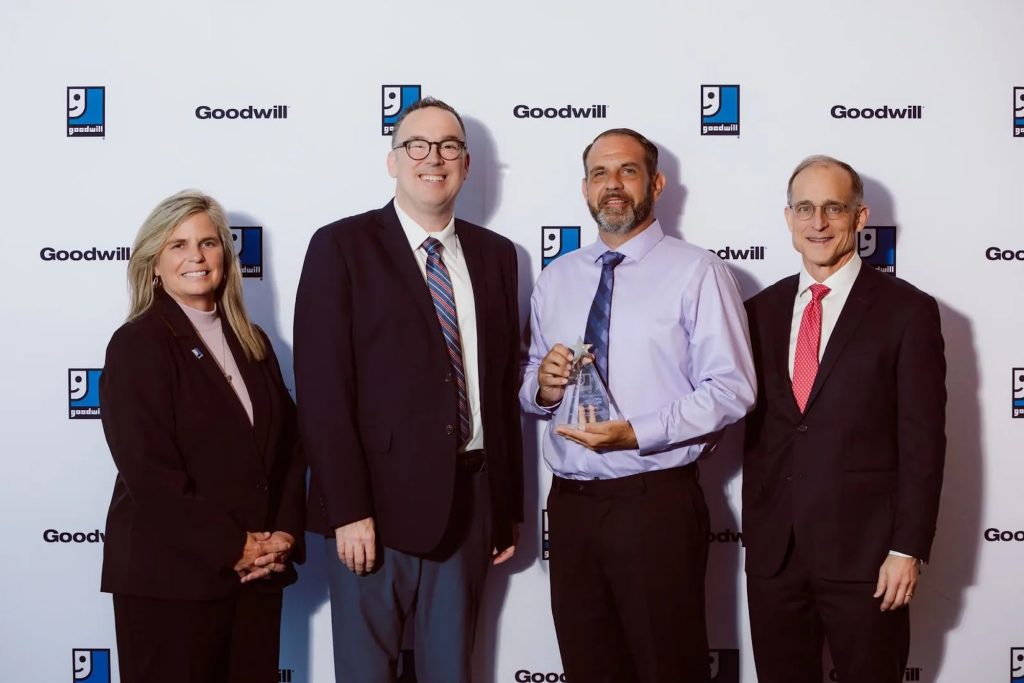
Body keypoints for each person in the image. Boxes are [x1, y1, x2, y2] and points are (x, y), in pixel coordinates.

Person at [294, 97, 523, 683]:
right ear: (393, 161)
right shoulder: (341, 247)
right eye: (416, 145)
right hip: (374, 511)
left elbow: (499, 389)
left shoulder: (497, 256)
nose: (433, 158)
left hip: (470, 504)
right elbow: (322, 392)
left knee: (451, 672)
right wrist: (348, 509)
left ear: (466, 164)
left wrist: (505, 509)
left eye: (448, 146)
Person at [520, 128, 756, 683]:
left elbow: (732, 388)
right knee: (588, 668)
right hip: (571, 507)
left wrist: (637, 432)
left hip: (655, 504)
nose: (613, 185)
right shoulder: (557, 278)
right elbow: (531, 380)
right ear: (585, 188)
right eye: (599, 173)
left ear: (656, 183)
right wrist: (544, 388)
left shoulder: (698, 272)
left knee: (667, 668)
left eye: (627, 171)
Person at [742, 155, 946, 683]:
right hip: (775, 557)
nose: (818, 222)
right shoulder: (757, 311)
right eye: (804, 208)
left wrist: (907, 549)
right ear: (788, 218)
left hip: (868, 558)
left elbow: (923, 443)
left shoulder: (907, 311)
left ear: (860, 217)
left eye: (833, 208)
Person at [98, 190, 305, 683]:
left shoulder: (253, 341)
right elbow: (150, 475)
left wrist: (283, 534)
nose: (196, 256)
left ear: (225, 257)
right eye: (178, 245)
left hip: (256, 579)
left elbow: (290, 449)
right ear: (153, 263)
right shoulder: (137, 344)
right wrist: (234, 547)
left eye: (208, 243)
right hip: (170, 583)